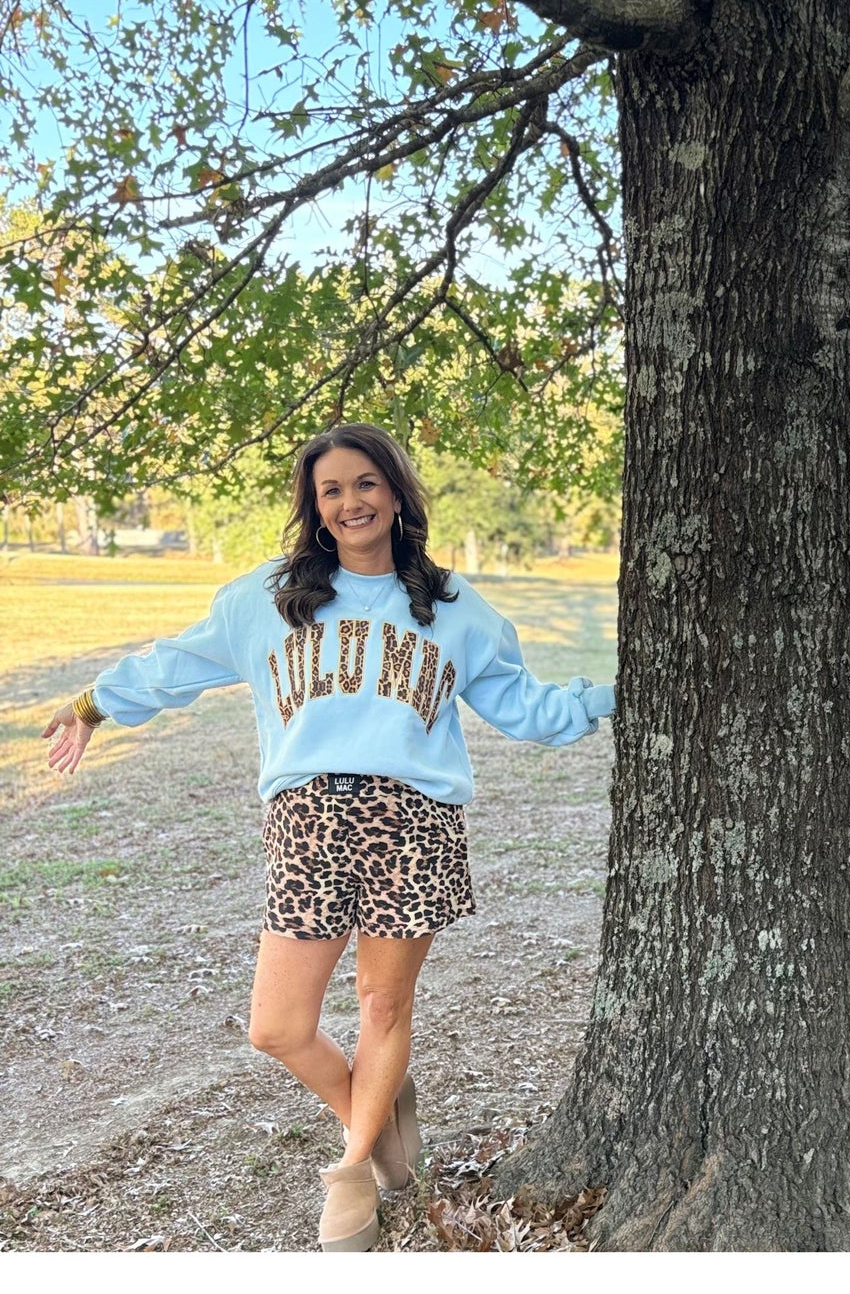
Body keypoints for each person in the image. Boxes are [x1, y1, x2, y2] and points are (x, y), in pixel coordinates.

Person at [42, 423, 615, 1251]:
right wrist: (92, 704)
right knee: (276, 1025)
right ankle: (374, 1108)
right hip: (306, 821)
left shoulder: (454, 608)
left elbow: (527, 708)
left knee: (382, 1003)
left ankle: (352, 1172)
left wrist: (611, 694)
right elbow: (177, 663)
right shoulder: (267, 599)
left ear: (396, 492)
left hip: (414, 822)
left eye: (366, 483)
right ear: (314, 507)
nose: (351, 502)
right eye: (332, 490)